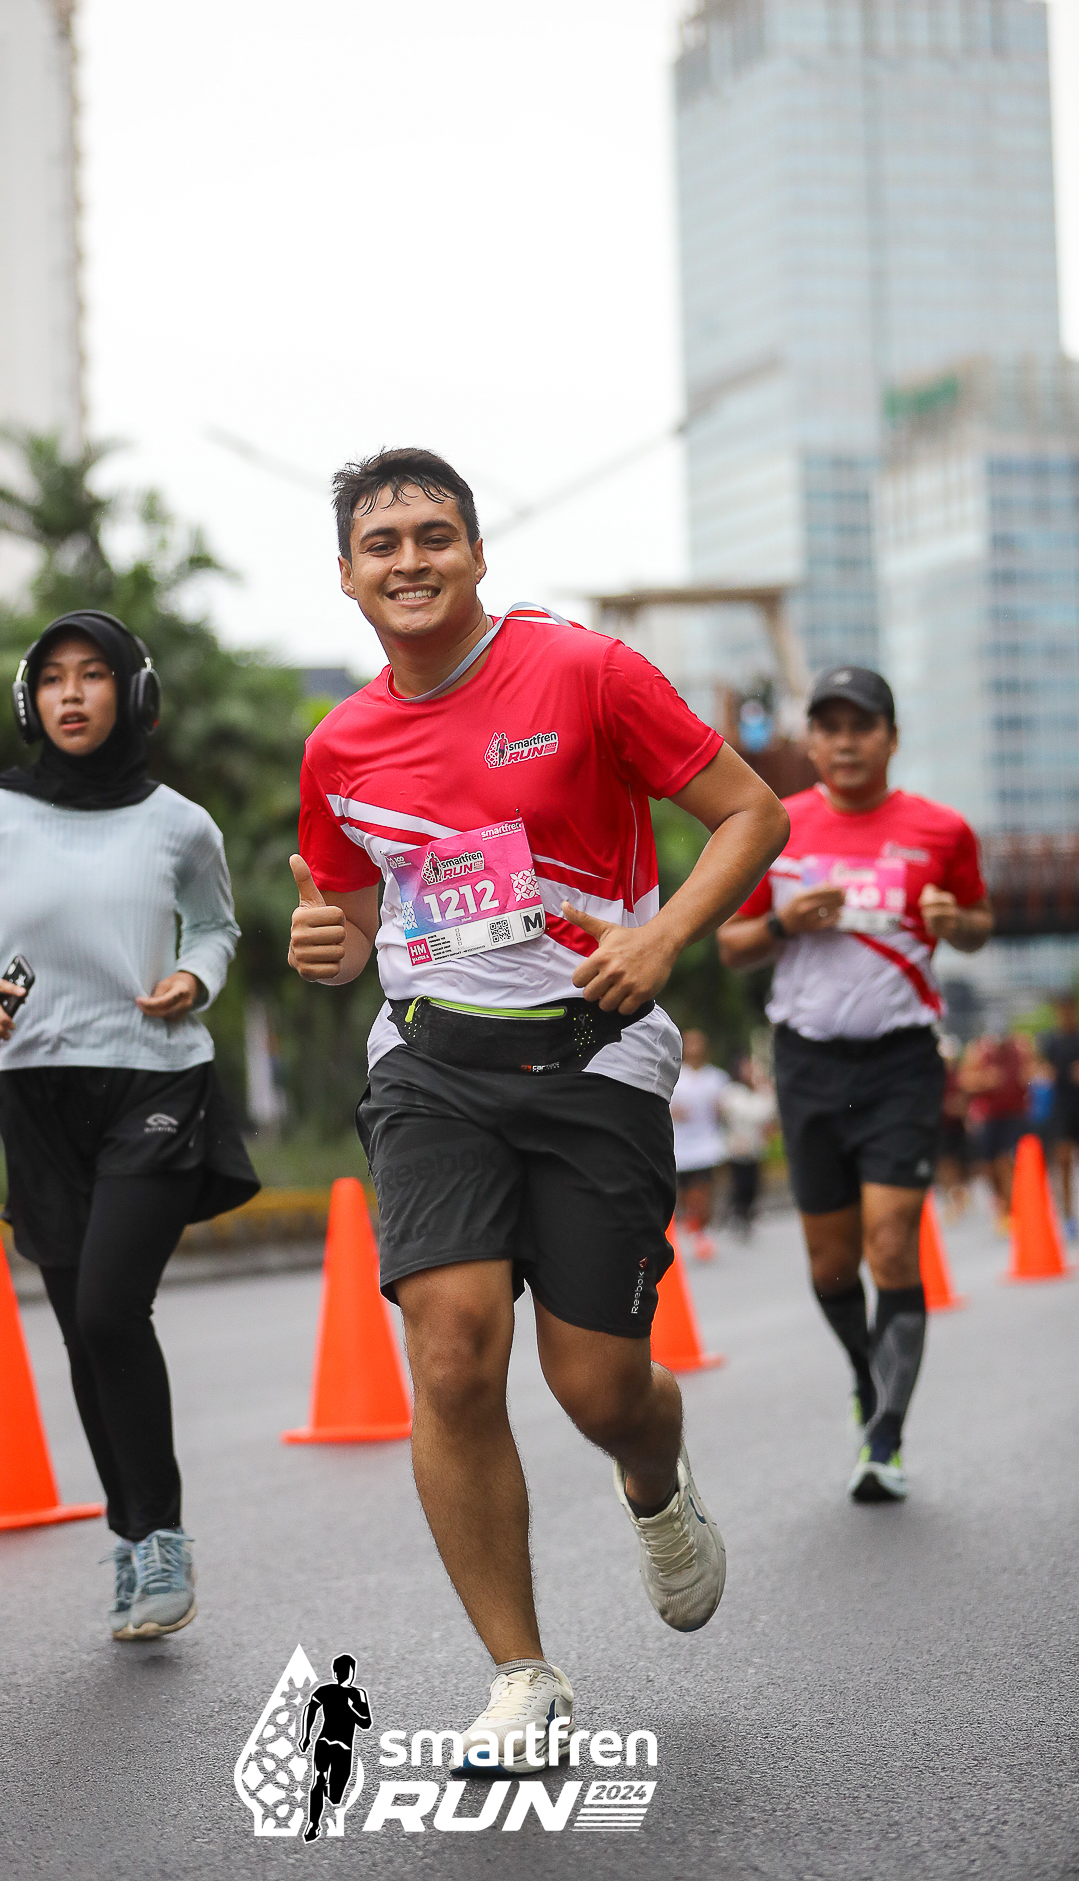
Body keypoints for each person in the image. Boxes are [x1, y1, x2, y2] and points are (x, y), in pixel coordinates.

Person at [288, 448, 787, 1765]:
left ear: (475, 552)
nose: (409, 560)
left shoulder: (584, 672)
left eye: (432, 535)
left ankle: (653, 1478)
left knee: (598, 1387)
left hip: (592, 1056)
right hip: (431, 1066)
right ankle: (522, 1675)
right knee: (452, 1350)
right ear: (345, 575)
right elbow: (353, 913)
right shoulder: (338, 746)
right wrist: (329, 941)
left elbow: (750, 815)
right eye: (382, 542)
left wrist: (663, 935)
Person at [0, 611, 258, 1639]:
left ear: (132, 694)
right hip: (36, 1091)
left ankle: (163, 1539)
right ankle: (133, 1535)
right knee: (80, 1331)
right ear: (31, 700)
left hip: (155, 1079)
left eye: (93, 674)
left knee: (108, 1311)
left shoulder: (181, 825)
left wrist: (195, 975)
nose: (71, 694)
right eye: (53, 677)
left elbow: (216, 926)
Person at [718, 665, 992, 1504]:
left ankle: (886, 1436)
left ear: (891, 738)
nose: (844, 742)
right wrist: (783, 922)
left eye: (861, 726)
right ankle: (865, 1375)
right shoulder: (775, 824)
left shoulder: (942, 830)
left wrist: (955, 921)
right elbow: (730, 944)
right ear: (812, 741)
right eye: (829, 726)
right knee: (832, 1262)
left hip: (902, 1061)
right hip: (808, 1063)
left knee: (892, 1242)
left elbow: (979, 925)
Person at [959, 1028, 1030, 1228]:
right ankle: (1001, 1201)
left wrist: (1028, 1077)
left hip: (1013, 1114)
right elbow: (964, 1081)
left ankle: (1011, 1207)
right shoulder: (979, 1050)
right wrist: (985, 1080)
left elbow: (1032, 1074)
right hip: (988, 1117)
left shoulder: (1020, 1047)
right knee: (988, 1166)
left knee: (1005, 1160)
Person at [299, 1654, 372, 1843]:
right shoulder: (326, 1690)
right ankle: (313, 1823)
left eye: (347, 1670)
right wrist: (305, 1735)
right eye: (341, 1671)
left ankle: (326, 1791)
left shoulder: (358, 1694)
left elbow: (366, 1723)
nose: (344, 1674)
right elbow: (310, 1708)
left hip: (342, 1747)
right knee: (318, 1778)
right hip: (326, 1742)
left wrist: (349, 1709)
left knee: (335, 1796)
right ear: (335, 1673)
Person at [669, 1029, 729, 1260]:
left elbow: (724, 1109)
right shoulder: (674, 1077)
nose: (695, 1049)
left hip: (707, 1146)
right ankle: (695, 1226)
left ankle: (702, 1231)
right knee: (686, 1195)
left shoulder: (716, 1078)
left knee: (703, 1191)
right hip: (681, 1148)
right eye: (690, 1044)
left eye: (698, 1044)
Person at [718, 1055, 776, 1237]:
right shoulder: (732, 1092)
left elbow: (768, 1114)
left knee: (753, 1183)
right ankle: (737, 1214)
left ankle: (748, 1214)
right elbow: (752, 1114)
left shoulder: (757, 1092)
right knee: (740, 1183)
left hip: (755, 1147)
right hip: (738, 1146)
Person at [1040, 992, 1079, 1242]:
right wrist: (1044, 1074)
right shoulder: (1050, 1041)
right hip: (1062, 1108)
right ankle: (1068, 1216)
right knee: (1063, 1161)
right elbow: (1041, 1069)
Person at [935, 1036, 971, 1220]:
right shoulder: (933, 1077)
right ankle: (952, 1197)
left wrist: (962, 1108)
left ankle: (958, 1195)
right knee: (944, 1164)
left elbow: (967, 1098)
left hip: (956, 1127)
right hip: (940, 1126)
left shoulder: (958, 1076)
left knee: (958, 1164)